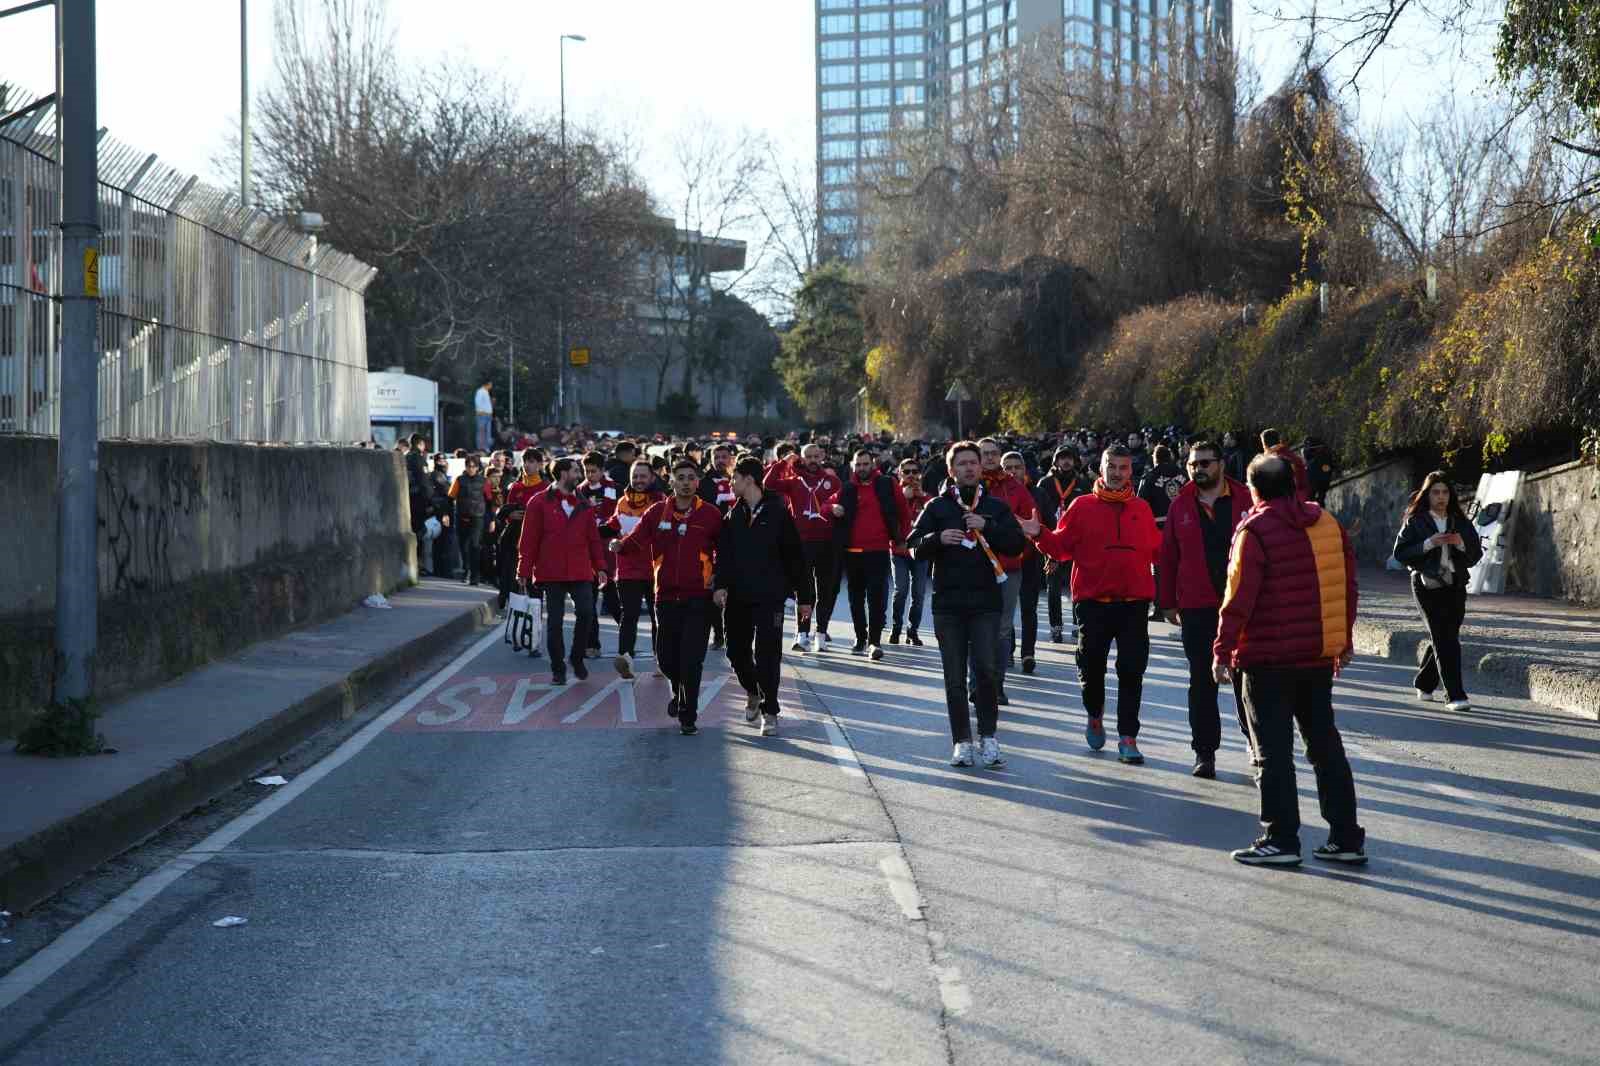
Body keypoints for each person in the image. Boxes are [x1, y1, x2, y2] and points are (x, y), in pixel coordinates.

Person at [1214, 454, 1366, 867]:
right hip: (1315, 656)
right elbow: (1347, 589)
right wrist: (1342, 641)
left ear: (1254, 489)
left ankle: (1281, 838)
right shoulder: (1327, 524)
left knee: (1272, 752)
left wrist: (1222, 650)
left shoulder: (1254, 530)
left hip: (1265, 659)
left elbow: (1238, 598)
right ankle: (1346, 836)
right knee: (1325, 746)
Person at [1026, 444, 1161, 765]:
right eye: (1111, 466)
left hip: (1134, 605)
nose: (1116, 473)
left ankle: (1128, 736)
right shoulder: (1081, 506)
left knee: (1132, 671)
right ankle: (1094, 713)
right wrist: (1039, 534)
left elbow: (1159, 553)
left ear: (1131, 471)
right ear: (1101, 469)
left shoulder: (1141, 508)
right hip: (1092, 605)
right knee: (1091, 668)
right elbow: (1060, 549)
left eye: (1123, 468)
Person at [908, 441, 1027, 768]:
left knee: (987, 672)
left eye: (973, 463)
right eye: (961, 464)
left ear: (981, 467)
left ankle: (989, 738)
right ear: (951, 470)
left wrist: (988, 526)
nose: (969, 468)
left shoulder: (995, 506)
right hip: (948, 605)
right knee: (954, 678)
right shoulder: (937, 507)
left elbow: (1017, 544)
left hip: (986, 603)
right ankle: (962, 741)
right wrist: (936, 540)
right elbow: (913, 545)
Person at [1157, 441, 1250, 778]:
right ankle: (1204, 752)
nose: (1199, 469)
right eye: (1193, 464)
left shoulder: (1246, 499)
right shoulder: (1180, 505)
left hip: (1242, 605)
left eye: (1205, 463)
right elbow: (1167, 556)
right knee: (1201, 680)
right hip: (1197, 606)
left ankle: (1255, 744)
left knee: (1247, 679)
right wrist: (1166, 601)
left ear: (1221, 464)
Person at [612, 458, 724, 735]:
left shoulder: (710, 514)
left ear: (697, 482)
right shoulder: (656, 512)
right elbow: (636, 540)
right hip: (665, 597)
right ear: (671, 481)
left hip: (699, 597)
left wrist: (719, 581)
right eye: (680, 478)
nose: (686, 482)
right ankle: (679, 691)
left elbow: (726, 552)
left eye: (690, 477)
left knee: (692, 658)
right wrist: (619, 546)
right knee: (666, 659)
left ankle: (688, 714)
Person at [714, 456, 813, 737]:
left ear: (749, 480)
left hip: (770, 596)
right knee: (735, 651)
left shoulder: (778, 512)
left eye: (734, 478)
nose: (731, 483)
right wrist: (720, 585)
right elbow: (725, 556)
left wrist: (804, 597)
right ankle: (753, 691)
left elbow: (796, 558)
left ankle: (770, 711)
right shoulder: (732, 515)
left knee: (768, 654)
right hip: (738, 597)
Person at [1392, 471, 1483, 711]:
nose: (1440, 497)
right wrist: (1429, 543)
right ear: (1427, 494)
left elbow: (1475, 554)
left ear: (1450, 495)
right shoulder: (1416, 521)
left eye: (1444, 492)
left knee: (1447, 636)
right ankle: (1455, 696)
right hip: (1426, 585)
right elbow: (1400, 553)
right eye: (1435, 492)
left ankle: (1425, 681)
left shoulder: (1459, 521)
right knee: (1444, 637)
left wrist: (1459, 543)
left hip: (1455, 584)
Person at [516, 457, 608, 685]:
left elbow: (593, 539)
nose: (580, 474)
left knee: (586, 612)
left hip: (580, 569)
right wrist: (523, 570)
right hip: (551, 571)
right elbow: (528, 539)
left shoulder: (585, 504)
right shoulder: (539, 502)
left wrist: (601, 567)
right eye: (576, 471)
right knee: (555, 622)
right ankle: (558, 669)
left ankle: (577, 658)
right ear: (564, 473)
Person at [764, 443, 843, 652]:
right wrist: (783, 462)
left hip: (827, 542)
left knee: (826, 590)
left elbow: (843, 506)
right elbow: (768, 484)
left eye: (816, 456)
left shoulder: (832, 481)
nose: (813, 460)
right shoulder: (794, 481)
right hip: (801, 543)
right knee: (805, 592)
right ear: (802, 458)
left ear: (823, 456)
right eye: (808, 457)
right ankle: (802, 633)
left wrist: (835, 509)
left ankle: (821, 633)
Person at [833, 448, 909, 660]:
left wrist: (901, 539)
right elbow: (828, 505)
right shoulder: (847, 488)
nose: (862, 468)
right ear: (852, 466)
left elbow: (903, 511)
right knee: (855, 598)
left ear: (872, 464)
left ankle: (874, 641)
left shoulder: (887, 483)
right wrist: (833, 509)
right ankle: (860, 637)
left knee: (877, 598)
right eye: (858, 465)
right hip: (853, 551)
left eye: (865, 464)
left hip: (879, 550)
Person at [976, 438, 1037, 704]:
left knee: (1002, 628)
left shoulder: (1015, 487)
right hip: (975, 567)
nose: (989, 458)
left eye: (993, 453)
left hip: (1009, 568)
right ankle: (977, 681)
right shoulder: (967, 486)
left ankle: (997, 684)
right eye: (984, 454)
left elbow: (1032, 523)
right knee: (977, 628)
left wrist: (1019, 549)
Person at [607, 460, 665, 679]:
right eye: (635, 476)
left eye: (643, 476)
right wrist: (610, 539)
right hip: (628, 569)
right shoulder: (622, 502)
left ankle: (660, 660)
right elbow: (613, 526)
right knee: (629, 616)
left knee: (657, 617)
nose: (639, 481)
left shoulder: (661, 503)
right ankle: (626, 659)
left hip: (655, 570)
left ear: (652, 478)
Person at [1034, 447, 1091, 643]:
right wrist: (1047, 545)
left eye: (1069, 458)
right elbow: (1038, 513)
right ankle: (1055, 627)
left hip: (1077, 540)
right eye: (1062, 458)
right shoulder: (1045, 483)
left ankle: (1078, 625)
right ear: (1056, 461)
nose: (1066, 462)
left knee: (1078, 584)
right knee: (1054, 586)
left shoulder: (1084, 483)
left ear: (1075, 461)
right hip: (1052, 538)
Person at [1001, 451, 1046, 675]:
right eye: (1007, 467)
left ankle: (1028, 653)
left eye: (1017, 467)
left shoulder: (1038, 493)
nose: (1012, 471)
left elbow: (1049, 526)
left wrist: (1051, 555)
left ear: (1024, 470)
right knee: (1005, 610)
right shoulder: (994, 492)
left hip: (1030, 558)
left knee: (1029, 608)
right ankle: (1006, 650)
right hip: (1003, 561)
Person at [577, 452, 621, 659]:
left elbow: (611, 513)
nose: (590, 475)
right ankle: (592, 643)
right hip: (587, 552)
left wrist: (595, 522)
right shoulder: (580, 490)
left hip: (606, 550)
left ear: (602, 470)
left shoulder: (610, 487)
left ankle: (627, 636)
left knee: (612, 598)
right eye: (587, 471)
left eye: (594, 471)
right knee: (589, 600)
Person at [890, 457, 930, 646]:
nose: (911, 476)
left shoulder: (926, 498)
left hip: (920, 551)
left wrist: (921, 496)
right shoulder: (894, 495)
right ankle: (896, 628)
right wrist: (902, 498)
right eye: (907, 472)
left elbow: (933, 519)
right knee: (901, 590)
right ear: (900, 474)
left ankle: (912, 631)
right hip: (899, 551)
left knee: (919, 594)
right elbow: (889, 518)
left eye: (915, 472)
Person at [448, 454, 490, 586]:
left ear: (478, 467)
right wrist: (446, 515)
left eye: (473, 466)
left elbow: (489, 500)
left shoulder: (484, 481)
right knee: (463, 546)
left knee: (475, 545)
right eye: (468, 466)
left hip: (478, 517)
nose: (471, 468)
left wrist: (491, 520)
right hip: (461, 516)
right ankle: (466, 570)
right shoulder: (459, 480)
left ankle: (474, 576)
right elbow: (450, 497)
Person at [1259, 428, 1310, 501]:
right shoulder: (1292, 456)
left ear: (1265, 444)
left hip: (1285, 503)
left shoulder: (1271, 461)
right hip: (1301, 500)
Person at [474, 381, 494, 452]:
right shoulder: (480, 391)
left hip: (487, 415)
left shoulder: (486, 392)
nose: (491, 386)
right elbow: (478, 402)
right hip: (482, 415)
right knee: (481, 432)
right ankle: (480, 447)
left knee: (487, 432)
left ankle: (486, 447)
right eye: (491, 385)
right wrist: (481, 411)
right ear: (487, 384)